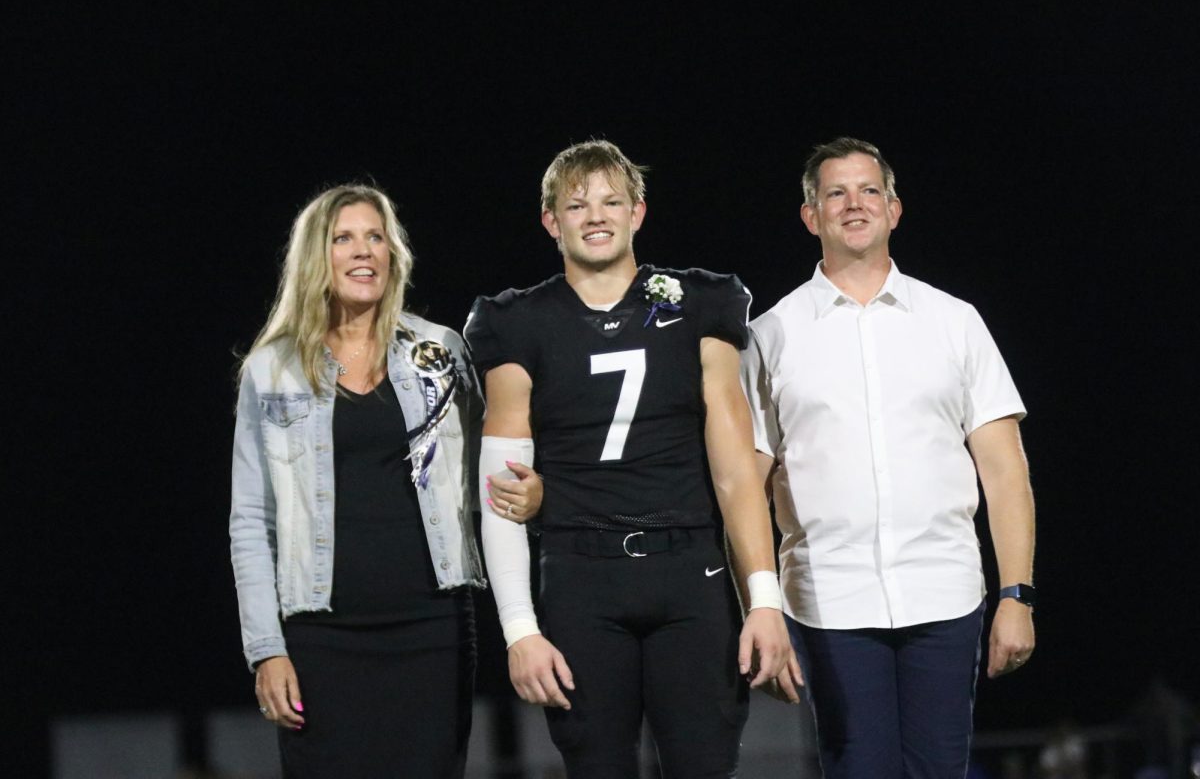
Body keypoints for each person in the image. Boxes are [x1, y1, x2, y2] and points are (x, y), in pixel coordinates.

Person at [465, 139, 799, 778]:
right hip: (580, 579)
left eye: (612, 201)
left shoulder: (700, 302)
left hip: (690, 571)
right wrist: (518, 629)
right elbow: (501, 490)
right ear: (550, 221)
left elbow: (734, 470)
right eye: (577, 204)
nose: (596, 215)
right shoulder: (516, 321)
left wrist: (762, 599)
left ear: (637, 212)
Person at [740, 137, 1037, 778]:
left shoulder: (955, 321)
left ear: (894, 209)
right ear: (810, 215)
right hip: (828, 602)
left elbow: (1005, 469)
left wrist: (1017, 594)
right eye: (836, 193)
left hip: (945, 592)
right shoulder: (769, 335)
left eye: (869, 190)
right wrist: (758, 609)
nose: (855, 204)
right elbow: (746, 486)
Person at [230, 184, 500, 777]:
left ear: (393, 253)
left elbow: (488, 473)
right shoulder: (271, 369)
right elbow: (251, 520)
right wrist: (265, 649)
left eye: (375, 237)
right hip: (321, 638)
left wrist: (528, 494)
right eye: (343, 238)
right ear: (315, 259)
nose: (363, 251)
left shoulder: (441, 351)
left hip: (434, 631)